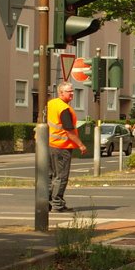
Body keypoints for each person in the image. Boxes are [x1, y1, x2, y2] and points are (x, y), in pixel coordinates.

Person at [47, 82, 87, 212]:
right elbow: (69, 131)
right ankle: (57, 205)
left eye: (72, 91)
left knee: (50, 176)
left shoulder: (51, 104)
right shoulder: (64, 109)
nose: (72, 94)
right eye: (69, 91)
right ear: (61, 93)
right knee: (60, 176)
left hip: (48, 144)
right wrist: (80, 145)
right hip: (61, 147)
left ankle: (46, 203)